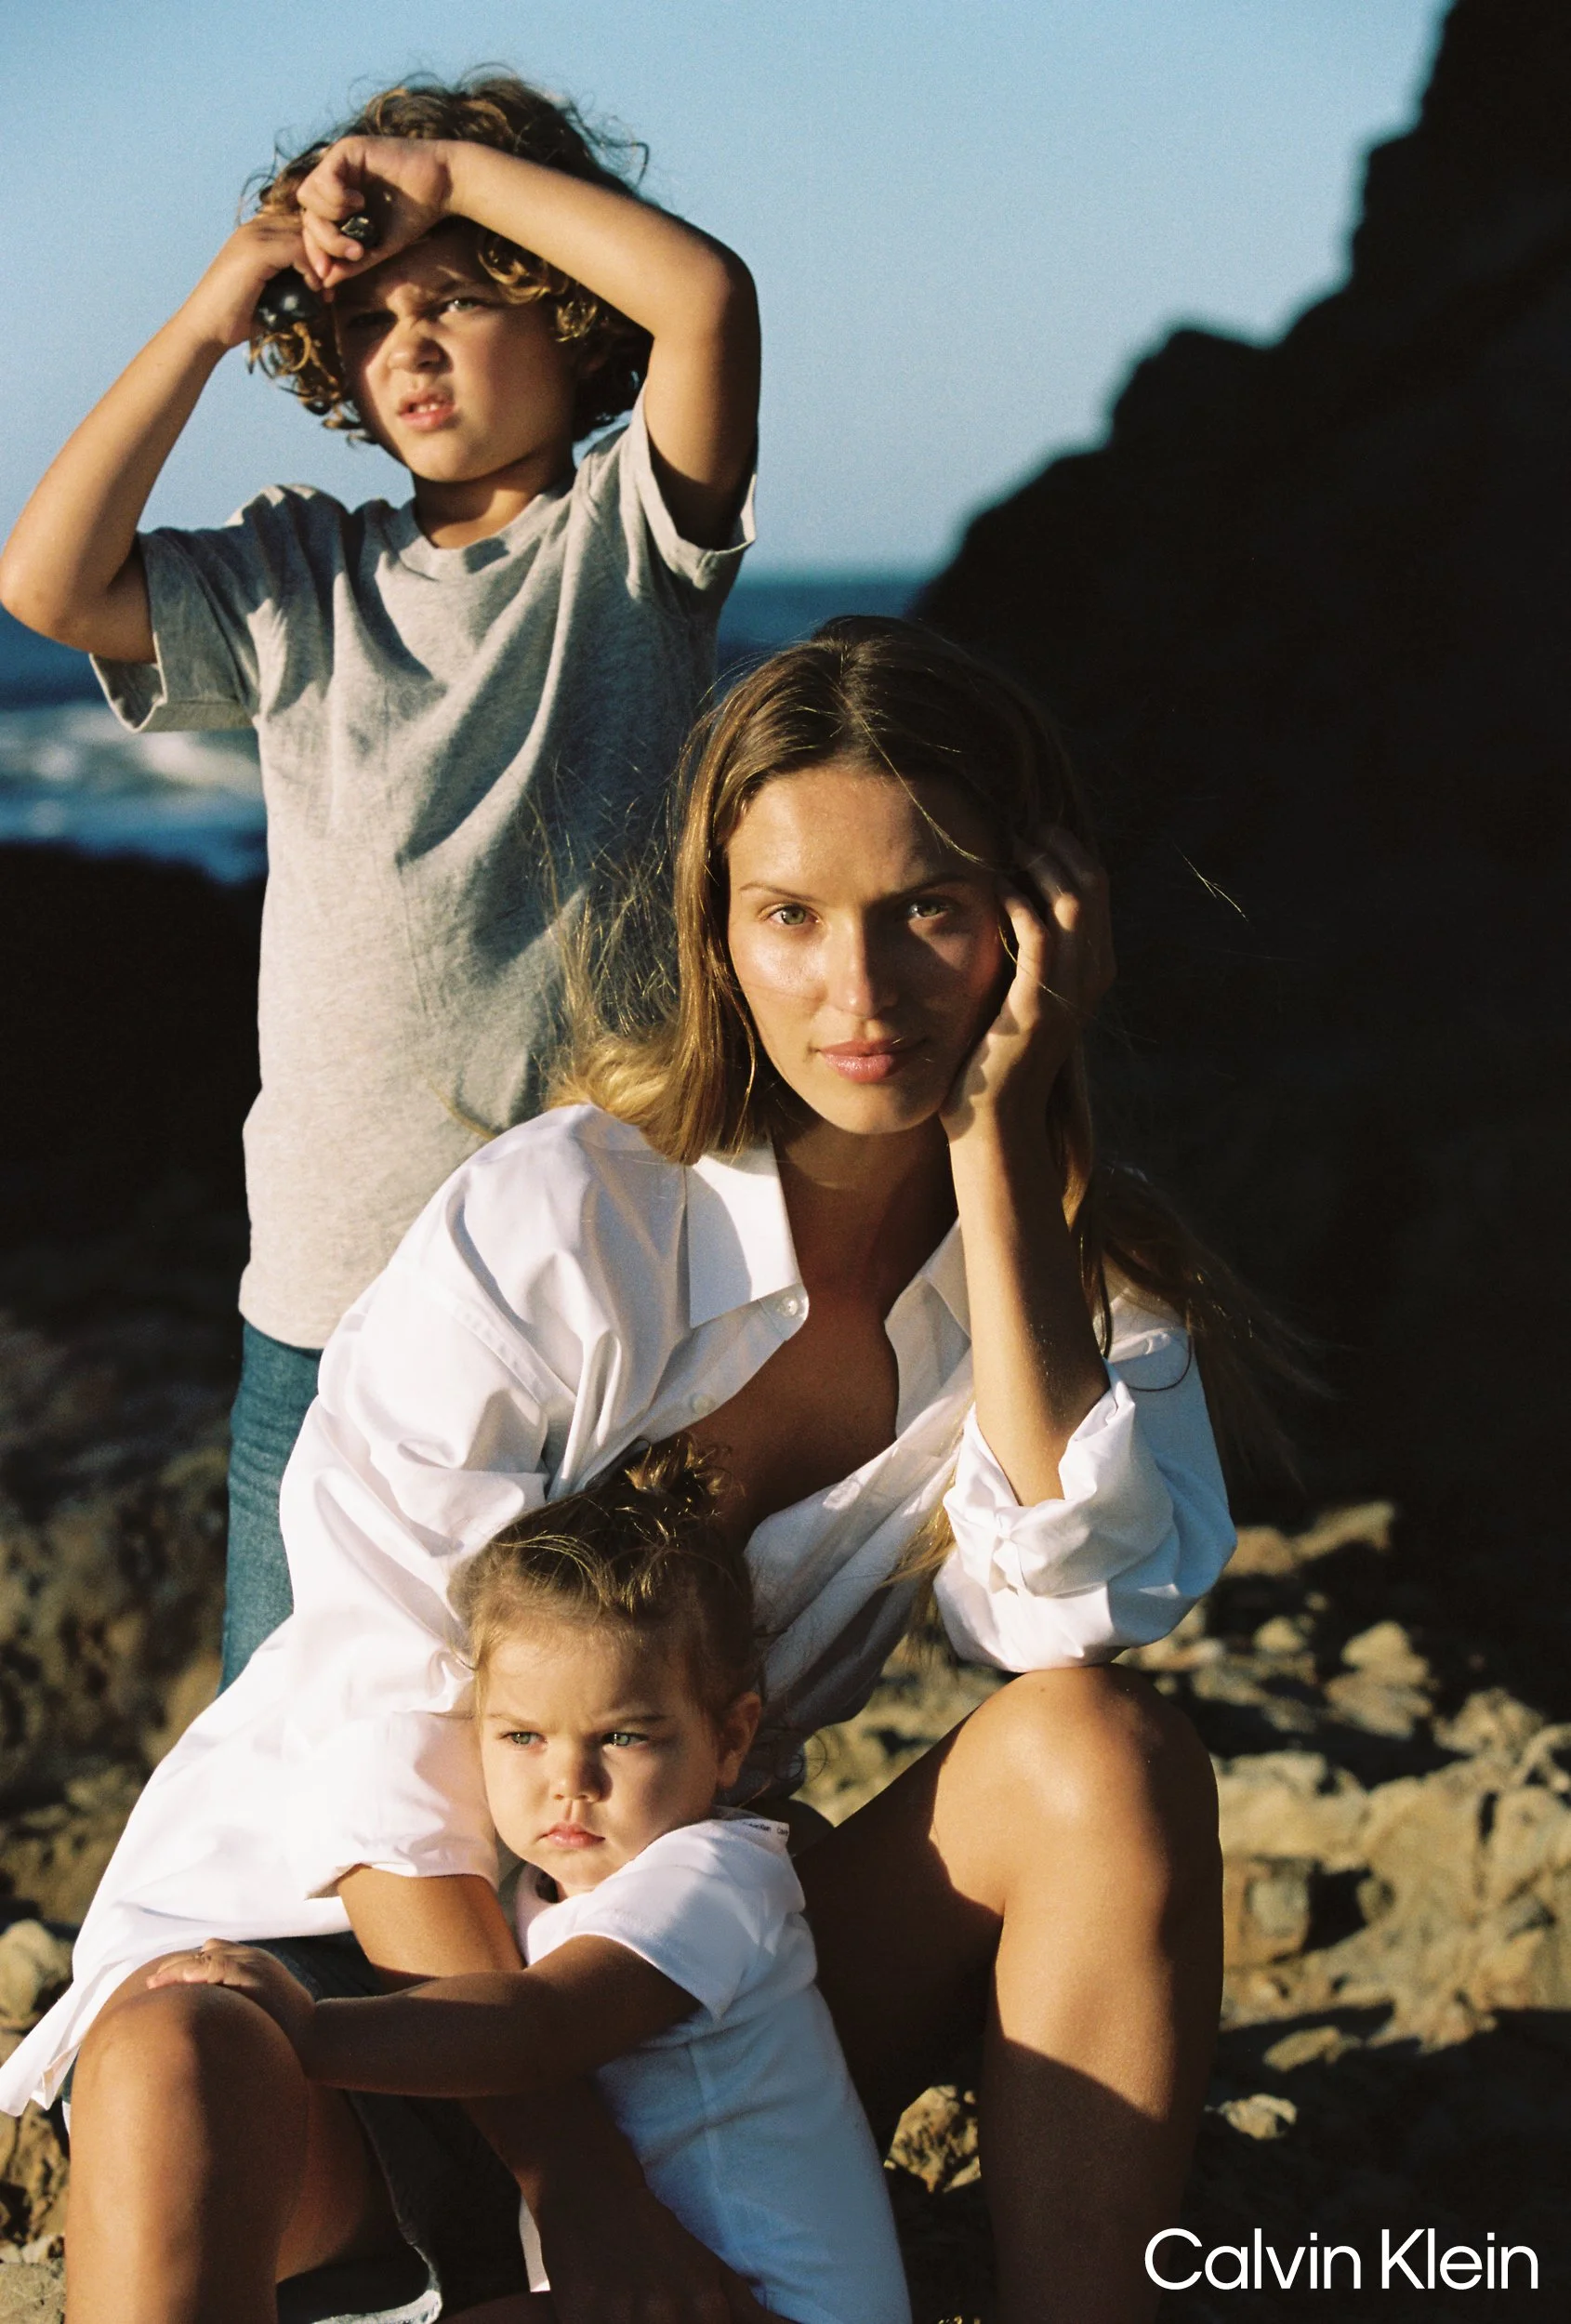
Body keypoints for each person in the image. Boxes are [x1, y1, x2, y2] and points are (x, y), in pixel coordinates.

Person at [9, 622, 1281, 2324]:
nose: (862, 991)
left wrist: (999, 1131)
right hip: (359, 1962)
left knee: (1102, 1754)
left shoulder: (1071, 1290)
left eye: (930, 909)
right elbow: (389, 1759)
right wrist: (589, 2202)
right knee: (174, 2049)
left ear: (1041, 926)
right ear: (717, 930)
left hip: (656, 1973)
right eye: (793, 917)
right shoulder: (567, 1217)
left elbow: (1077, 1607)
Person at [0, 73, 759, 1682]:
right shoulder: (300, 576)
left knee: (570, 1753)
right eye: (374, 316)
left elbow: (705, 297)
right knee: (305, 1753)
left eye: (465, 299)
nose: (409, 346)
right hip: (322, 1299)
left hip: (579, 1312)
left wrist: (448, 174)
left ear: (570, 316)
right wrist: (217, 309)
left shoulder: (625, 553)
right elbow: (48, 580)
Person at [143, 1443, 912, 2324]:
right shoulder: (541, 1894)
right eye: (522, 1738)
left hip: (772, 2305)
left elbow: (536, 2029)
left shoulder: (717, 1878)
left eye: (624, 1737)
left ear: (731, 1740)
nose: (570, 1781)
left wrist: (310, 2030)